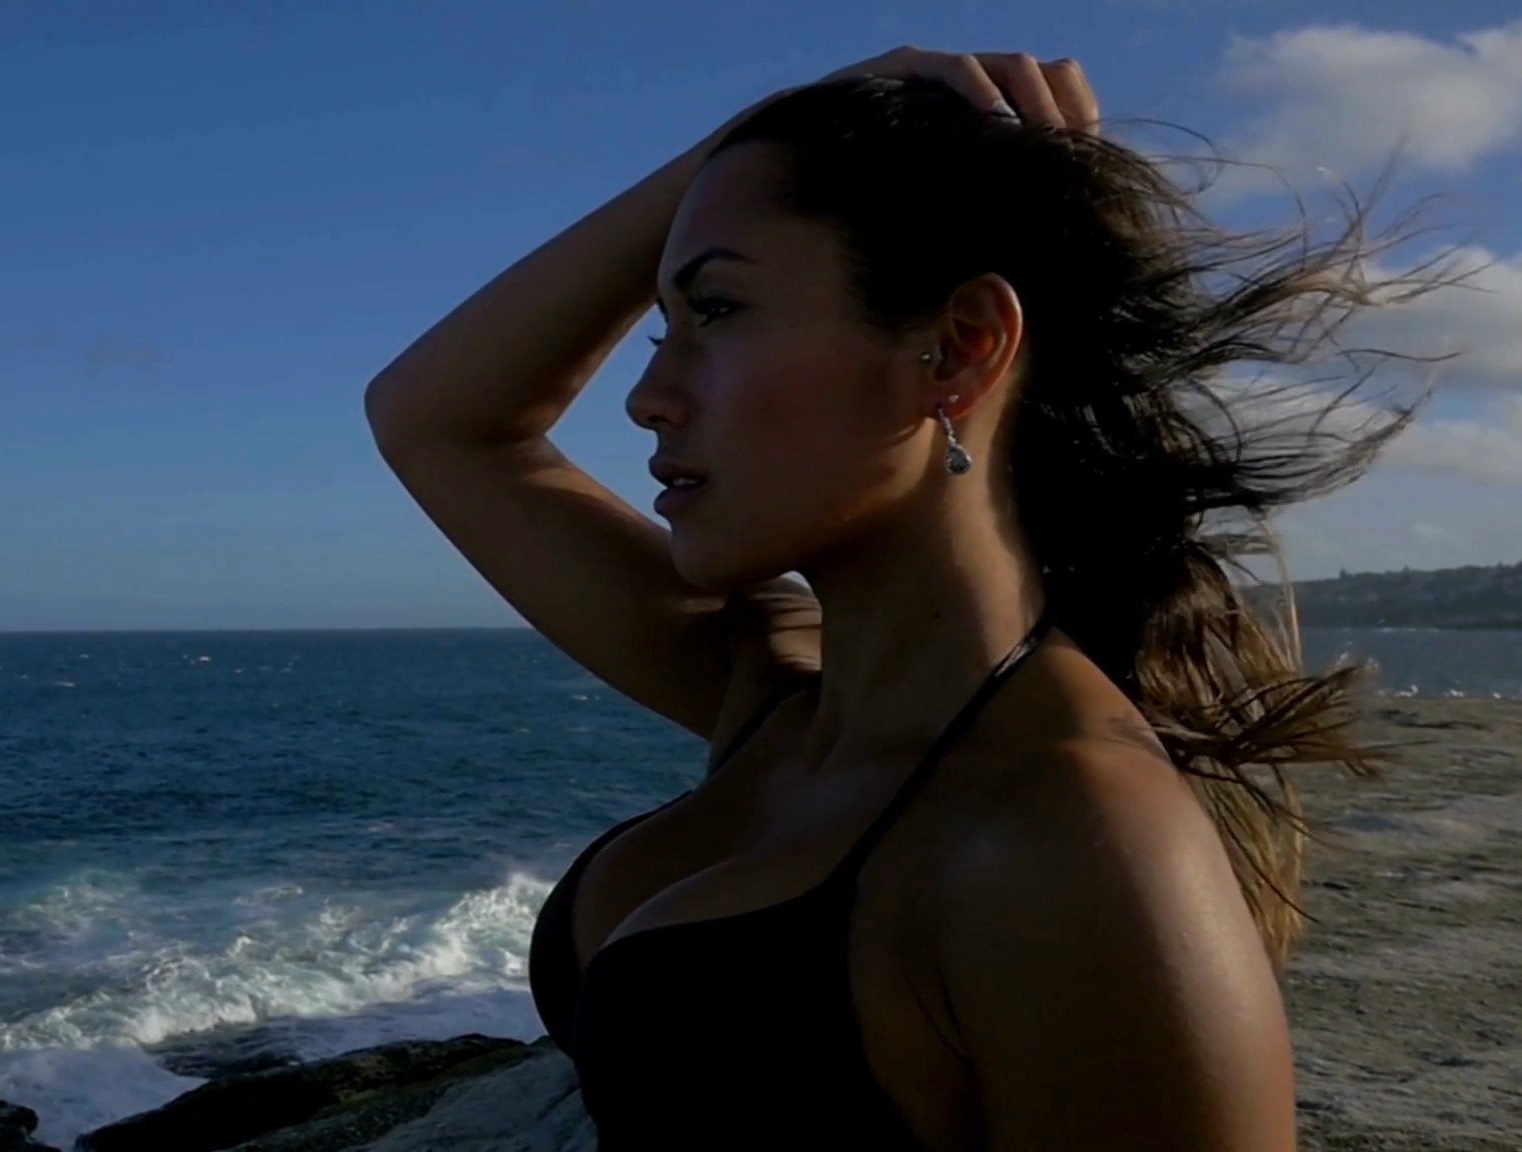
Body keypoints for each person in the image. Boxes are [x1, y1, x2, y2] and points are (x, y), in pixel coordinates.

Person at [364, 45, 1425, 1151]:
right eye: (664, 328)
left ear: (958, 351)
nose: (646, 397)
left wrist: (764, 146)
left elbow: (444, 425)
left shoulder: (1076, 835)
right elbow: (435, 421)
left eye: (716, 309)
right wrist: (761, 132)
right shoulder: (783, 693)